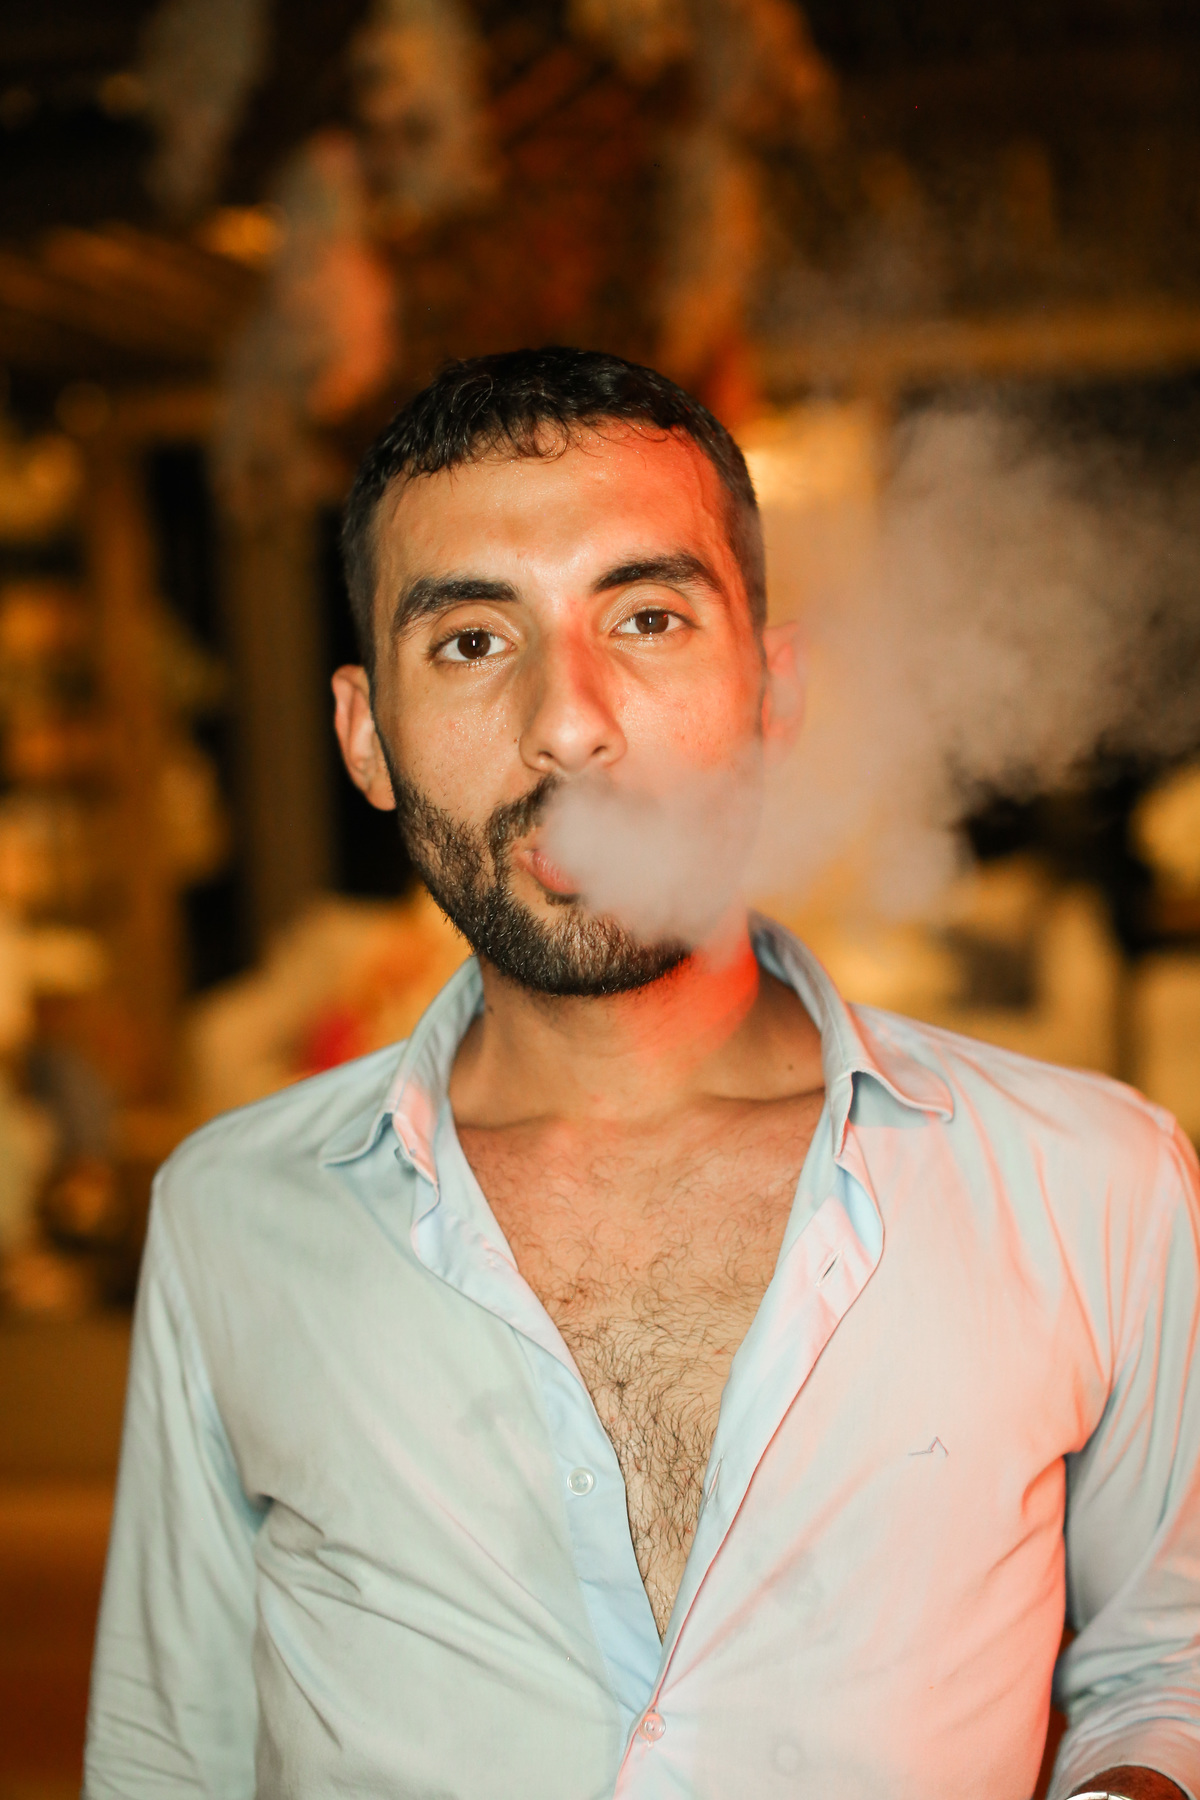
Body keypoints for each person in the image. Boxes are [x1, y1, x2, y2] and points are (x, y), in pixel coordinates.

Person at [85, 349, 1200, 1800]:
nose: (569, 721)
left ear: (774, 690)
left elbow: (1168, 1665)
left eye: (649, 618)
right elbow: (168, 1758)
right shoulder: (232, 1215)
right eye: (471, 642)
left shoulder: (1092, 1183)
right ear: (367, 737)